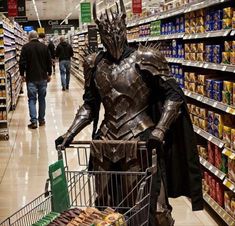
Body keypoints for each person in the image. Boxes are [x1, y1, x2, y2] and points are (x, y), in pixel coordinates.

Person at [55, 1, 203, 225]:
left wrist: (161, 129)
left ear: (123, 26)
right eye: (106, 31)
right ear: (100, 32)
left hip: (141, 138)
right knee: (106, 211)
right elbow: (90, 105)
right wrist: (70, 132)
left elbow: (174, 96)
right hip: (105, 143)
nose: (112, 36)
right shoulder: (93, 64)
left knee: (155, 209)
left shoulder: (146, 58)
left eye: (115, 30)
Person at [19, 31, 52, 129]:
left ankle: (33, 122)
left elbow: (22, 63)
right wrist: (49, 74)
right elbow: (49, 62)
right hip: (42, 77)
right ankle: (41, 120)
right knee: (42, 99)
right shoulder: (44, 47)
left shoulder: (25, 47)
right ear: (37, 37)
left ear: (29, 38)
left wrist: (22, 74)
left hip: (31, 78)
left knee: (32, 99)